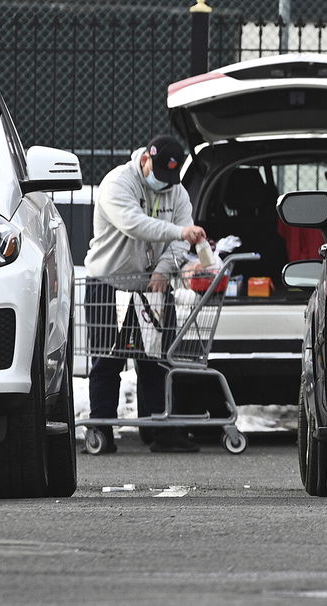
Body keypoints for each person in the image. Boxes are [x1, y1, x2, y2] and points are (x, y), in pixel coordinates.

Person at [84, 134, 208, 453]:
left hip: (153, 284)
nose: (164, 184)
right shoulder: (117, 183)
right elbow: (134, 224)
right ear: (145, 160)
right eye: (160, 174)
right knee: (107, 361)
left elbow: (183, 234)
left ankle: (159, 430)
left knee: (157, 359)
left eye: (171, 178)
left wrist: (164, 269)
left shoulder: (175, 189)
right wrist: (179, 232)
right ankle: (102, 430)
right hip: (110, 281)